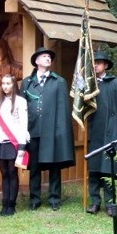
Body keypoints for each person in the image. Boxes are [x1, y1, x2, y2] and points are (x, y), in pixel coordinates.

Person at [21, 47, 75, 211]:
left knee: (54, 165)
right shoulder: (27, 82)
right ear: (36, 61)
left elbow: (63, 108)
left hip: (52, 131)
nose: (47, 58)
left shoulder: (59, 81)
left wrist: (61, 132)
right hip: (33, 131)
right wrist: (23, 130)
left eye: (49, 57)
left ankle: (54, 198)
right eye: (44, 56)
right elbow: (22, 107)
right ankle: (35, 199)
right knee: (35, 166)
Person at [86, 51, 117, 215]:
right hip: (94, 129)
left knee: (108, 166)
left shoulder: (114, 83)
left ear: (106, 65)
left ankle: (110, 202)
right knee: (94, 167)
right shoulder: (88, 84)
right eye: (94, 62)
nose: (96, 65)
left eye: (99, 63)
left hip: (111, 131)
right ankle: (95, 201)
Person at [0, 74, 28, 216]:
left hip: (13, 142)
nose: (5, 86)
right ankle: (4, 205)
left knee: (12, 173)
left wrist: (22, 146)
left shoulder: (21, 102)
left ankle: (11, 205)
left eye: (8, 83)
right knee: (4, 173)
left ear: (13, 85)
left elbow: (23, 124)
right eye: (3, 83)